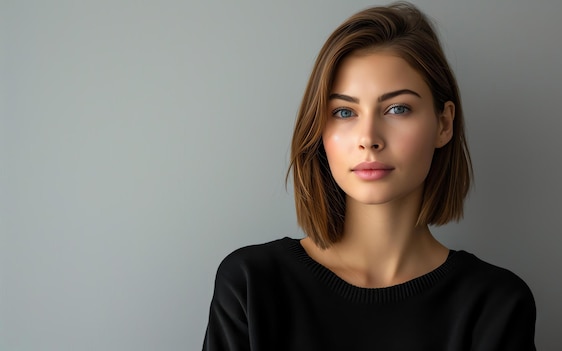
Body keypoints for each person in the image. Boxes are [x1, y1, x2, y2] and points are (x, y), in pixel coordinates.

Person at [203, 2, 536, 350]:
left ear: (444, 124)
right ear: (319, 130)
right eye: (344, 111)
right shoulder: (251, 285)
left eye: (397, 109)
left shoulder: (495, 305)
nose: (369, 138)